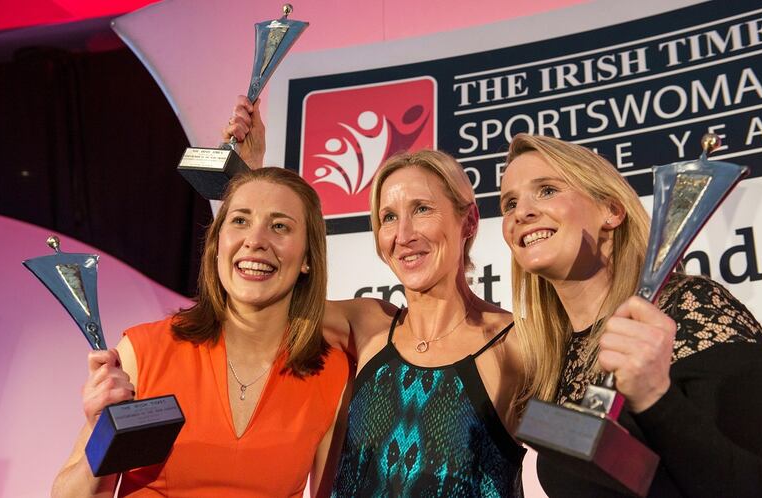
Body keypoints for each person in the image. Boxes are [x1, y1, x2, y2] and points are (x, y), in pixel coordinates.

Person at [225, 97, 527, 497]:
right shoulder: (367, 326)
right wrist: (251, 176)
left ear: (468, 220)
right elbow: (261, 294)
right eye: (388, 218)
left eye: (422, 209)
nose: (404, 235)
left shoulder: (517, 342)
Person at [499, 133, 762, 497]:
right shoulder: (545, 365)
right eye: (509, 203)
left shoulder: (691, 309)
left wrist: (655, 399)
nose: (522, 212)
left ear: (611, 211)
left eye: (547, 190)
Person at [51, 167, 350, 497]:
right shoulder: (145, 351)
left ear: (308, 256)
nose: (255, 241)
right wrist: (102, 433)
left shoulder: (332, 375)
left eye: (279, 226)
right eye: (240, 221)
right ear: (217, 244)